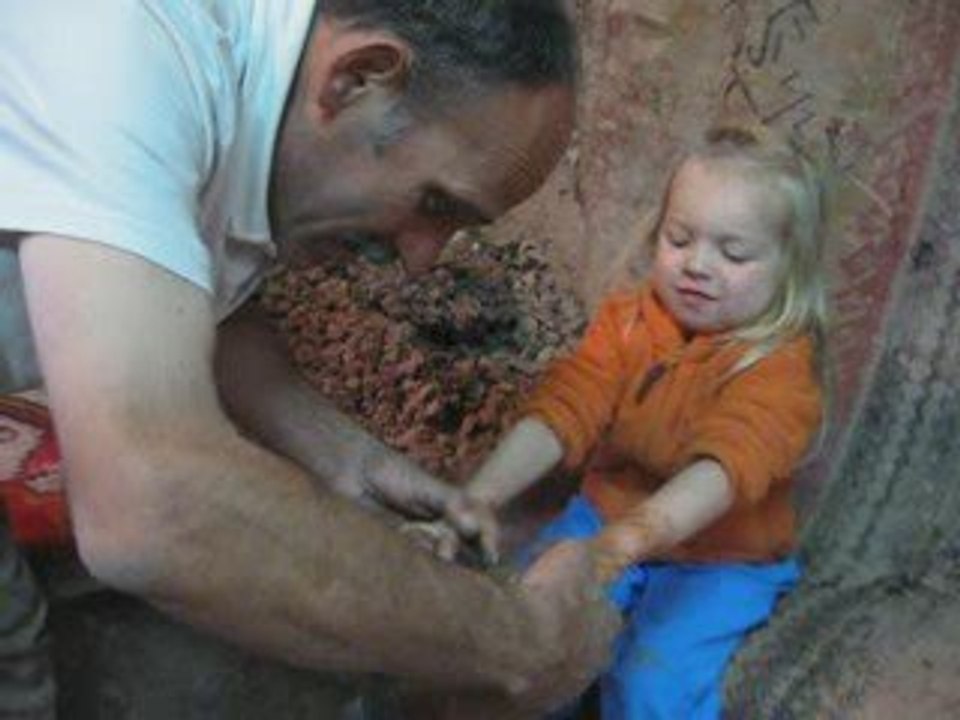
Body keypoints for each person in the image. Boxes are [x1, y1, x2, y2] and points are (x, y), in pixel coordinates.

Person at [0, 1, 620, 716]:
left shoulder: (258, 69)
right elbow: (149, 501)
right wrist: (521, 641)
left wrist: (345, 458)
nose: (422, 260)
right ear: (357, 78)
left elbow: (183, 279)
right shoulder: (127, 49)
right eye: (435, 203)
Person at [444, 125, 830, 718]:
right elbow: (567, 406)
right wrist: (480, 496)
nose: (698, 265)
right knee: (526, 640)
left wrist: (619, 546)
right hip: (602, 515)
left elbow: (724, 468)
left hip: (722, 561)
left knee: (650, 684)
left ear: (789, 270)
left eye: (733, 253)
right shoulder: (628, 322)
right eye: (680, 239)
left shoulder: (779, 366)